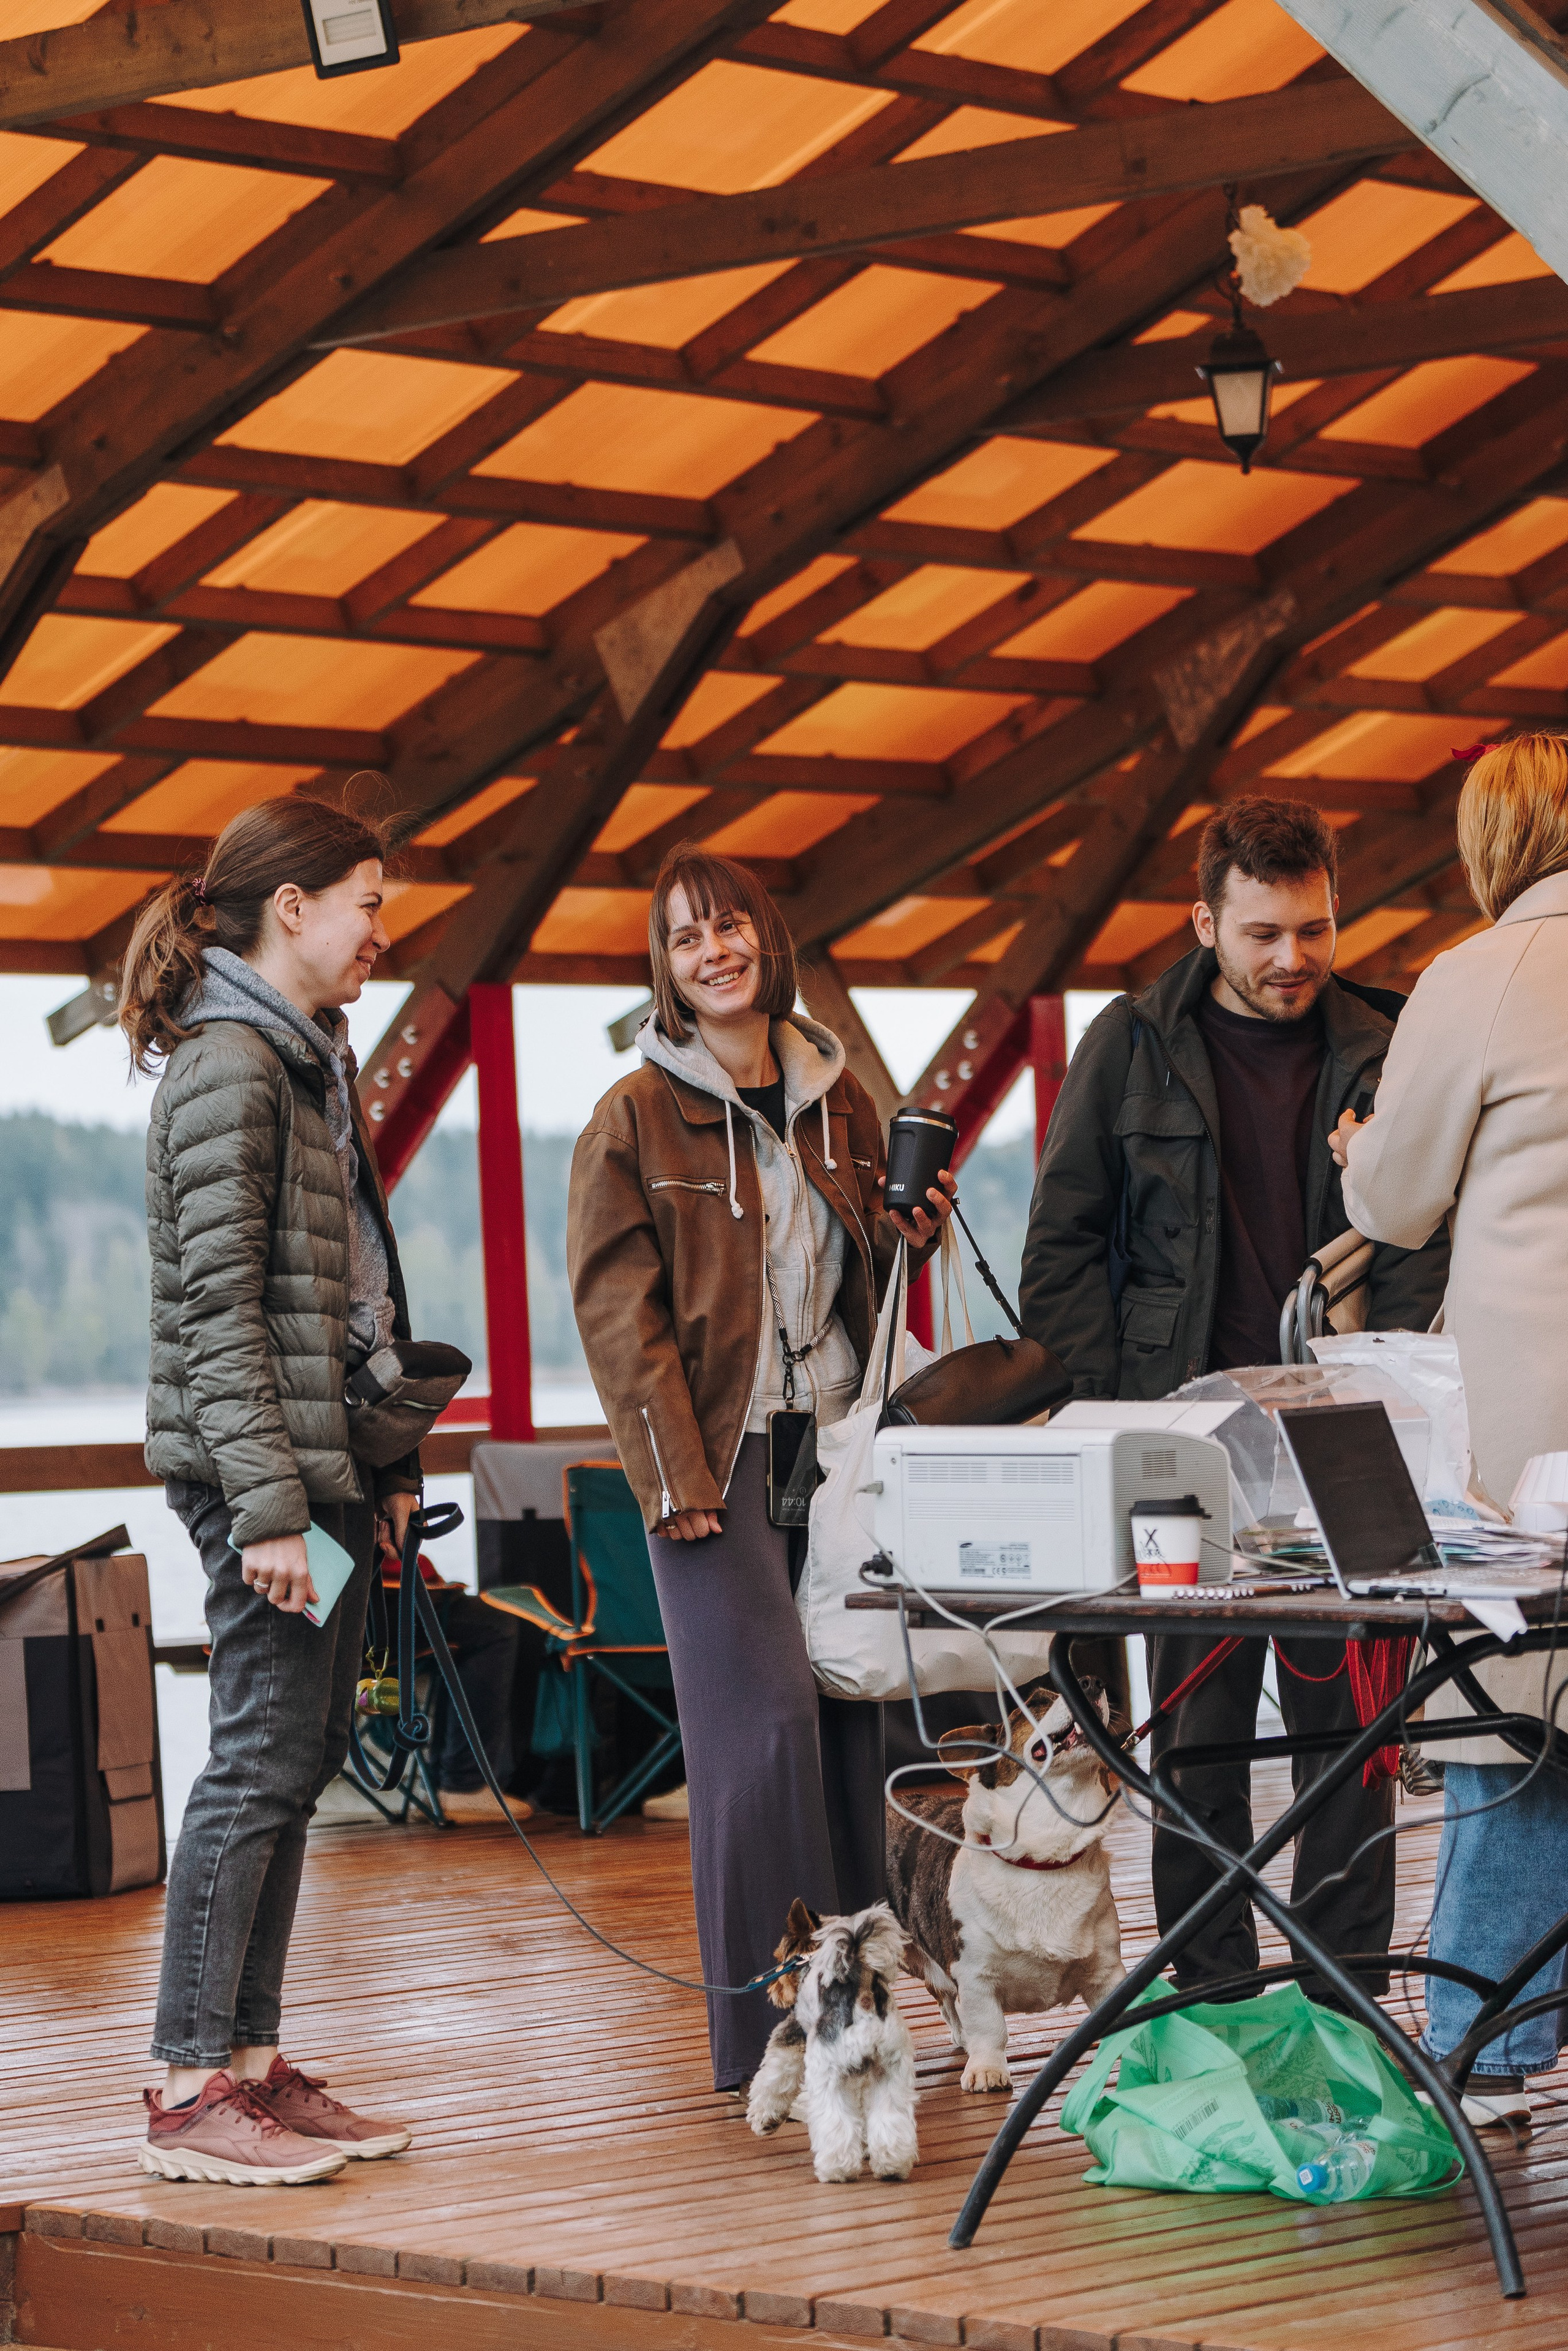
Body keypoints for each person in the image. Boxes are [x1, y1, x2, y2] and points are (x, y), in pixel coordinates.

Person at [1019, 796, 1450, 2003]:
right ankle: (1208, 2001)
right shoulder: (1128, 1043)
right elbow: (1059, 1246)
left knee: (1348, 1748)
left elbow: (1422, 1233)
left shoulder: (1390, 1040)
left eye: (1310, 928)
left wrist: (1394, 1373)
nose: (1291, 959)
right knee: (1198, 1746)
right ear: (1202, 918)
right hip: (1179, 1454)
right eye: (1261, 933)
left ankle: (1343, 2004)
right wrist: (1114, 1420)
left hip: (1346, 1441)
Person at [568, 845, 952, 2089]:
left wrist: (908, 1240)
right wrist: (670, 1470)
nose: (711, 950)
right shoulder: (630, 1114)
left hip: (833, 1442)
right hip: (712, 1457)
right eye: (684, 938)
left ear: (766, 938)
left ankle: (863, 2016)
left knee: (855, 1722)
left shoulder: (837, 1097)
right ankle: (765, 2036)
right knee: (763, 1730)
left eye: (727, 925)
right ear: (665, 970)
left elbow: (855, 1292)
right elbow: (614, 1312)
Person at [121, 796, 418, 2183]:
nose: (382, 927)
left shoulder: (305, 1061)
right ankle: (188, 2083)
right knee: (254, 1757)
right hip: (263, 1481)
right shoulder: (235, 1067)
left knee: (295, 1759)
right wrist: (271, 1511)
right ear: (287, 907)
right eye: (366, 897)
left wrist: (388, 1466)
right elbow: (221, 1311)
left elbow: (343, 1290)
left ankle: (249, 2061)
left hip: (320, 1471)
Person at [1334, 733, 1568, 2123]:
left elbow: (1394, 1204)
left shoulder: (1480, 975)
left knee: (1514, 1718)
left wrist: (1359, 1146)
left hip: (1539, 1427)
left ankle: (1486, 2055)